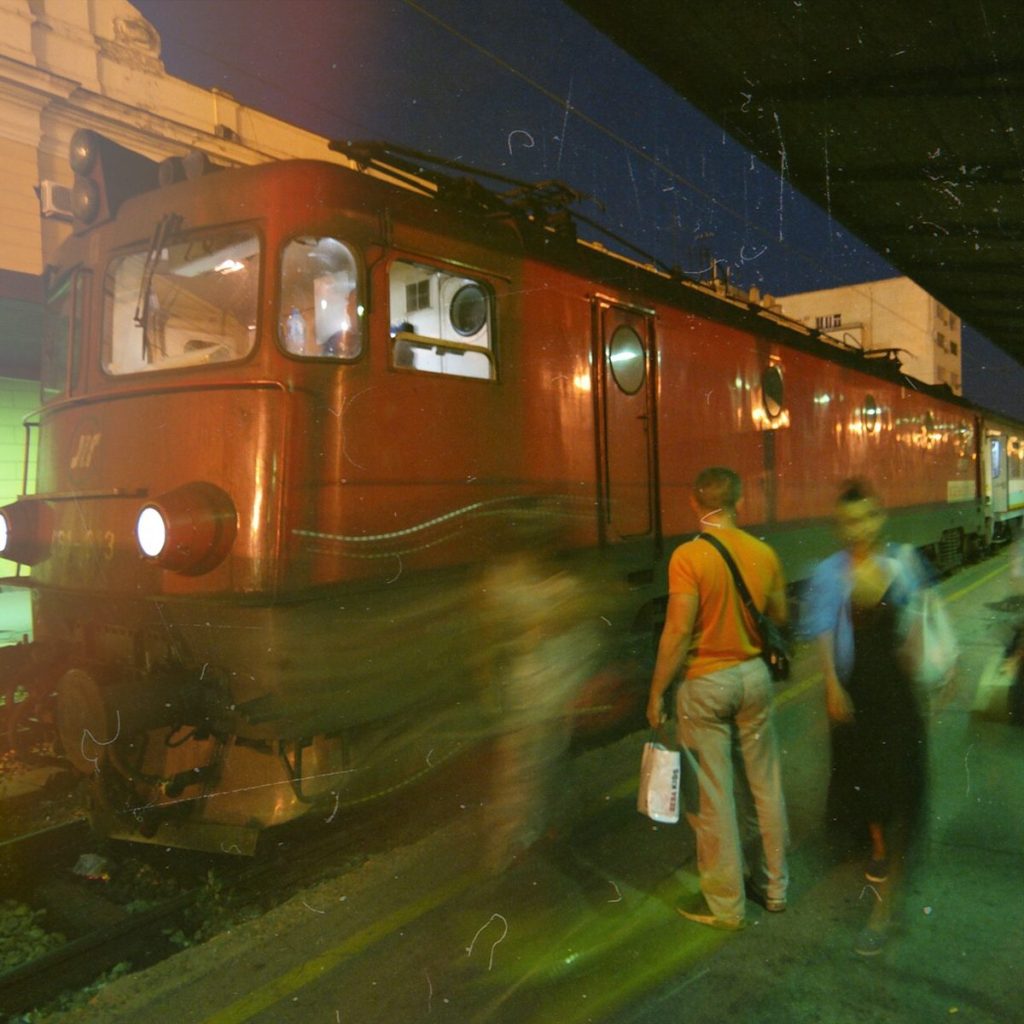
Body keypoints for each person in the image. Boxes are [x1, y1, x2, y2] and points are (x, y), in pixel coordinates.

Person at [646, 467, 789, 929]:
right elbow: (780, 615)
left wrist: (657, 691)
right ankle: (774, 888)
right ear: (740, 502)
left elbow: (676, 631)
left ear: (694, 502)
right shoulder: (764, 553)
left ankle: (726, 905)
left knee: (713, 796)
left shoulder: (688, 557)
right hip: (754, 677)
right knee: (765, 787)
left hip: (706, 683)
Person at [802, 479, 928, 956]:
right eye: (849, 520)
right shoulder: (829, 574)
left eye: (867, 517)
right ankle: (876, 845)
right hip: (855, 700)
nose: (859, 528)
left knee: (896, 791)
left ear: (880, 518)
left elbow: (917, 632)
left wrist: (929, 684)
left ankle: (883, 908)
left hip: (897, 701)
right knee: (865, 789)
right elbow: (821, 633)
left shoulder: (903, 564)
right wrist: (832, 687)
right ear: (840, 525)